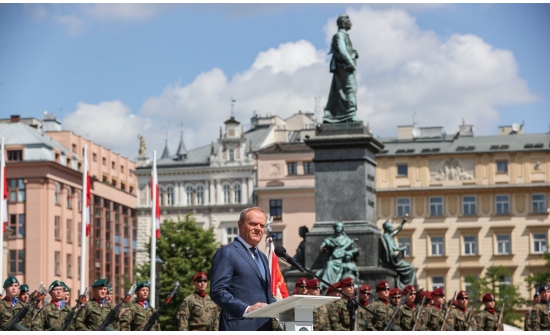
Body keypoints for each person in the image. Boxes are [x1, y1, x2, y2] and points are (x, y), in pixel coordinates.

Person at [210, 207, 276, 331]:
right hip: (239, 325)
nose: (258, 229)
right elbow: (218, 291)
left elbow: (265, 295)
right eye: (253, 224)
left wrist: (283, 307)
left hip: (264, 327)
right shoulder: (227, 253)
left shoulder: (262, 257)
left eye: (262, 226)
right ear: (240, 225)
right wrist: (246, 309)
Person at [323, 14, 359, 123]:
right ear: (344, 23)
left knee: (343, 90)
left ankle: (344, 114)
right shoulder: (340, 35)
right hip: (345, 66)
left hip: (345, 66)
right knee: (350, 88)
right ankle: (351, 114)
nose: (351, 23)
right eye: (349, 21)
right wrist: (350, 62)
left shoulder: (344, 35)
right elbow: (343, 50)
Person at [317, 222, 359, 290]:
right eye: (337, 227)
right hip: (334, 259)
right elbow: (323, 245)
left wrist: (348, 253)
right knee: (329, 264)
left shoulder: (346, 239)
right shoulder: (330, 239)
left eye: (340, 227)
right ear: (334, 228)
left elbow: (355, 249)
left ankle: (333, 285)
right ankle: (327, 284)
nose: (338, 228)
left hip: (343, 260)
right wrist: (322, 247)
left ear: (342, 228)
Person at [379, 220, 417, 289]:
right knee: (410, 268)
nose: (392, 228)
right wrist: (401, 248)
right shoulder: (386, 237)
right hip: (393, 260)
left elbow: (397, 230)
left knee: (410, 268)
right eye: (391, 227)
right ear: (387, 228)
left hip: (394, 258)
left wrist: (402, 223)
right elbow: (392, 248)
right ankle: (405, 287)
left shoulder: (389, 236)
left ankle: (407, 286)